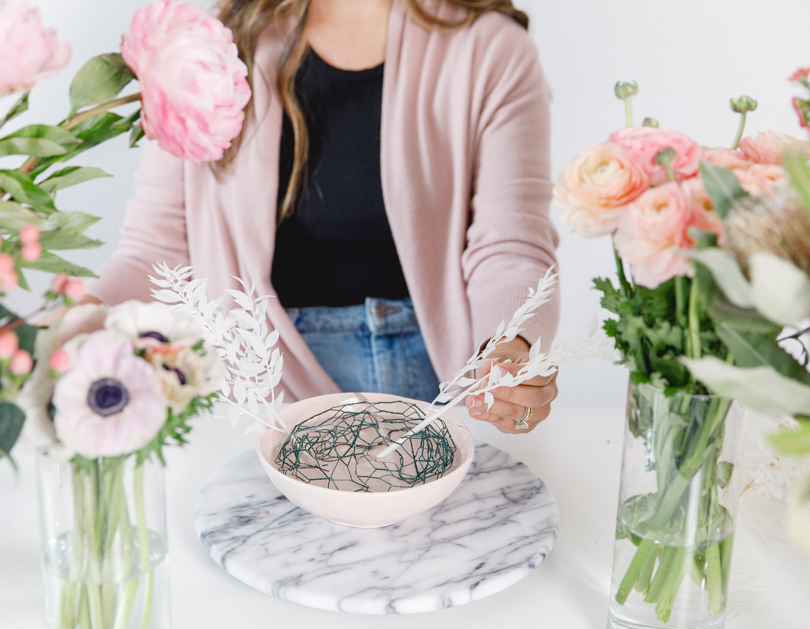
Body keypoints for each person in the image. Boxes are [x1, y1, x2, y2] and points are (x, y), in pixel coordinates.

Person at [85, 0, 560, 434]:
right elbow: (155, 251)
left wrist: (509, 348)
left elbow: (510, 244)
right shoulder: (204, 52)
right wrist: (75, 321)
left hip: (444, 391)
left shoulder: (492, 49)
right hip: (263, 396)